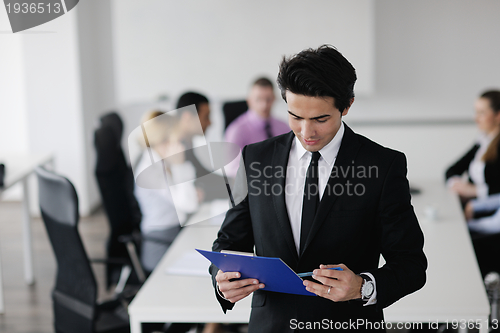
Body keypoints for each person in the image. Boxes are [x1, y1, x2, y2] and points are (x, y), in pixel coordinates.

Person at [209, 45, 427, 332]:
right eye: (295, 116)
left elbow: (410, 264)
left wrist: (363, 287)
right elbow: (229, 242)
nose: (306, 132)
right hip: (271, 324)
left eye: (320, 119)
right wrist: (222, 281)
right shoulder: (255, 158)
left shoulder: (383, 166)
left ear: (347, 105)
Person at [134, 110, 199, 273]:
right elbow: (189, 204)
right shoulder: (150, 170)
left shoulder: (159, 161)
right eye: (178, 139)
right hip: (160, 243)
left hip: (174, 233)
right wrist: (179, 165)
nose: (181, 144)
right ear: (164, 140)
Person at [224, 78, 290, 177]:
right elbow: (231, 168)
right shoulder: (237, 130)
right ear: (249, 101)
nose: (264, 105)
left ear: (274, 99)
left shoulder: (284, 127)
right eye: (258, 99)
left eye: (268, 99)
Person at [445, 90, 500, 202]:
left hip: (488, 212)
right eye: (475, 112)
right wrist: (456, 185)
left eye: (482, 113)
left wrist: (475, 191)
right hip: (471, 205)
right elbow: (451, 170)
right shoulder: (483, 141)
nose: (475, 118)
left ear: (498, 115)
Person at [176, 91, 228, 202]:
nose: (210, 123)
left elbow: (202, 174)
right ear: (187, 117)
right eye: (206, 117)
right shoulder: (175, 148)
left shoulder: (187, 144)